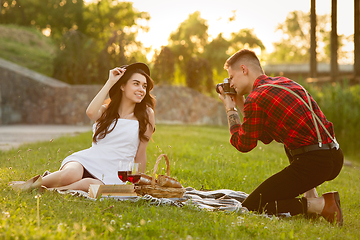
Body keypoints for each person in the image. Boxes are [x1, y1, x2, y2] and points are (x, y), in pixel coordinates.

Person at [218, 49, 344, 226]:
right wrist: (239, 102)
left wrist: (229, 108)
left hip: (315, 164)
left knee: (254, 205)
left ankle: (321, 205)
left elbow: (243, 144)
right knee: (292, 140)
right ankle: (311, 194)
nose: (231, 83)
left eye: (231, 77)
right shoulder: (283, 82)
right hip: (334, 155)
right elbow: (266, 135)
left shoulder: (257, 98)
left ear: (244, 69)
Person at [10, 62, 156, 192]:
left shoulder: (146, 115)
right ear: (122, 86)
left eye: (144, 86)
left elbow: (140, 153)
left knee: (88, 184)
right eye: (136, 84)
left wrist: (137, 182)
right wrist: (110, 82)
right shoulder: (106, 111)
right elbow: (91, 112)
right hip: (89, 160)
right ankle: (28, 185)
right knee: (70, 174)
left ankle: (51, 190)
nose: (141, 89)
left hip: (116, 171)